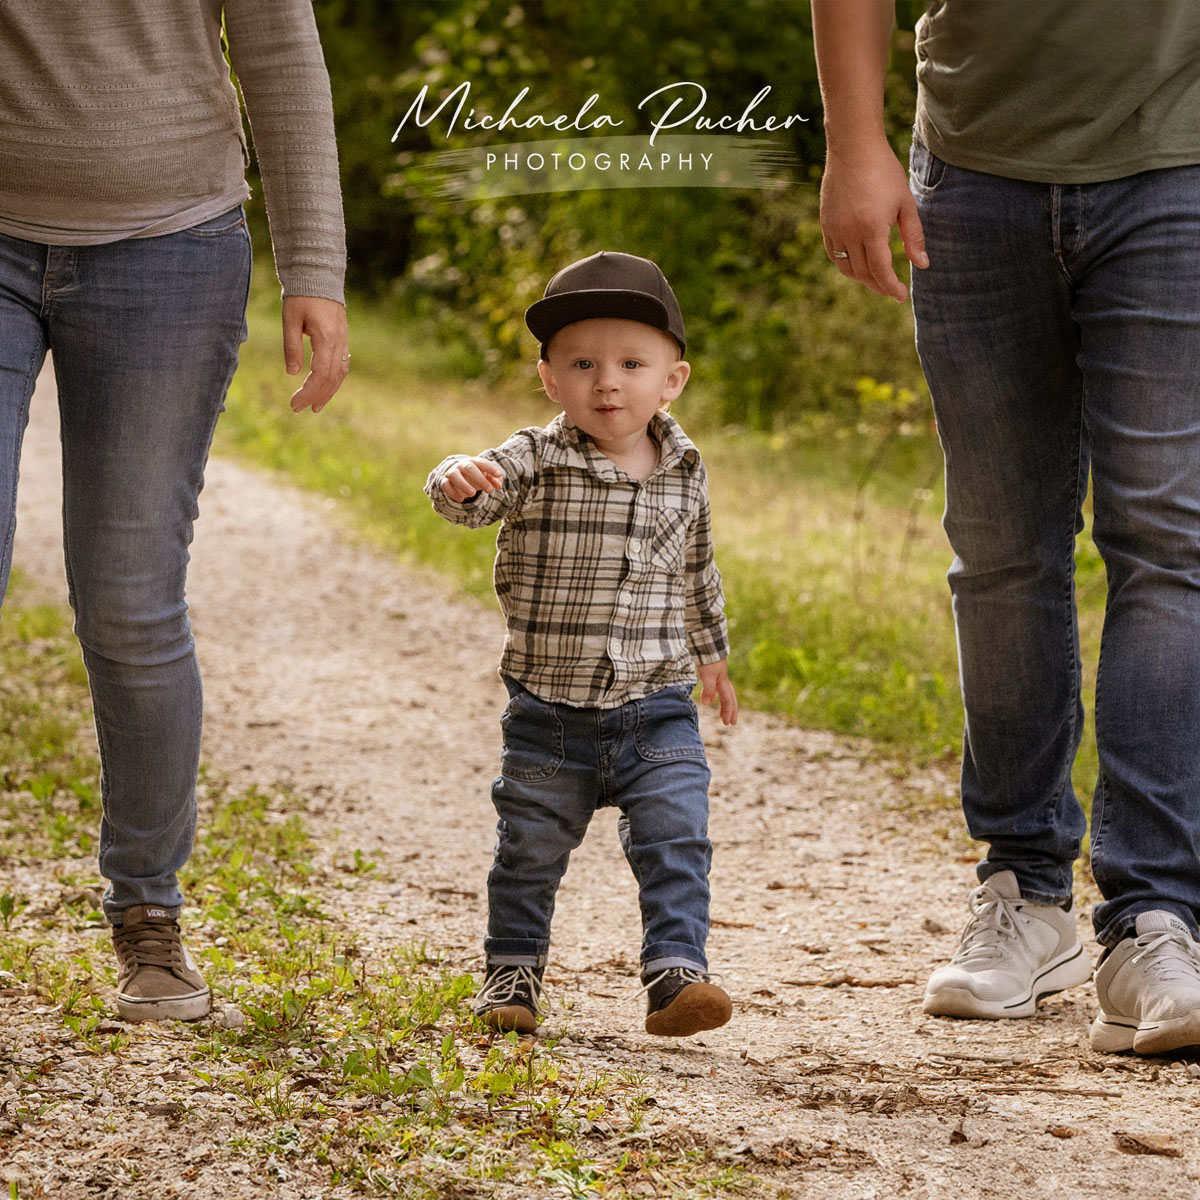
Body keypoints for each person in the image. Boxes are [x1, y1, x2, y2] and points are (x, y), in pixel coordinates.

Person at [812, 0, 1200, 1055]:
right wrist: (856, 143)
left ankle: (1155, 919)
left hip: (1177, 164)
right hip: (975, 168)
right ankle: (1025, 892)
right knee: (998, 550)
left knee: (1167, 545)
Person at [0, 2, 349, 1021]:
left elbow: (280, 47)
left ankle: (148, 919)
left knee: (128, 597)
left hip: (171, 246)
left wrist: (313, 264)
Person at [425, 251, 737, 1037]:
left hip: (656, 706)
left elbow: (696, 567)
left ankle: (676, 973)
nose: (608, 382)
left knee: (677, 834)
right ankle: (512, 976)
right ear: (550, 378)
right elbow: (468, 497)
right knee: (527, 851)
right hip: (549, 713)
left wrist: (713, 654)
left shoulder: (686, 470)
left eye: (632, 363)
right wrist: (455, 477)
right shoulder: (534, 458)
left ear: (673, 379)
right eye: (583, 363)